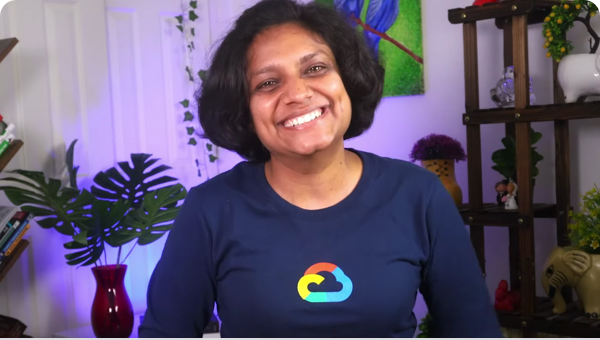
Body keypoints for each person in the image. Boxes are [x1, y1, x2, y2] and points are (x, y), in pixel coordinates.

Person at [139, 0, 502, 337]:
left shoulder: (419, 195)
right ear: (245, 111)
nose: (298, 93)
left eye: (315, 68)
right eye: (268, 83)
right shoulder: (209, 209)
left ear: (347, 80)